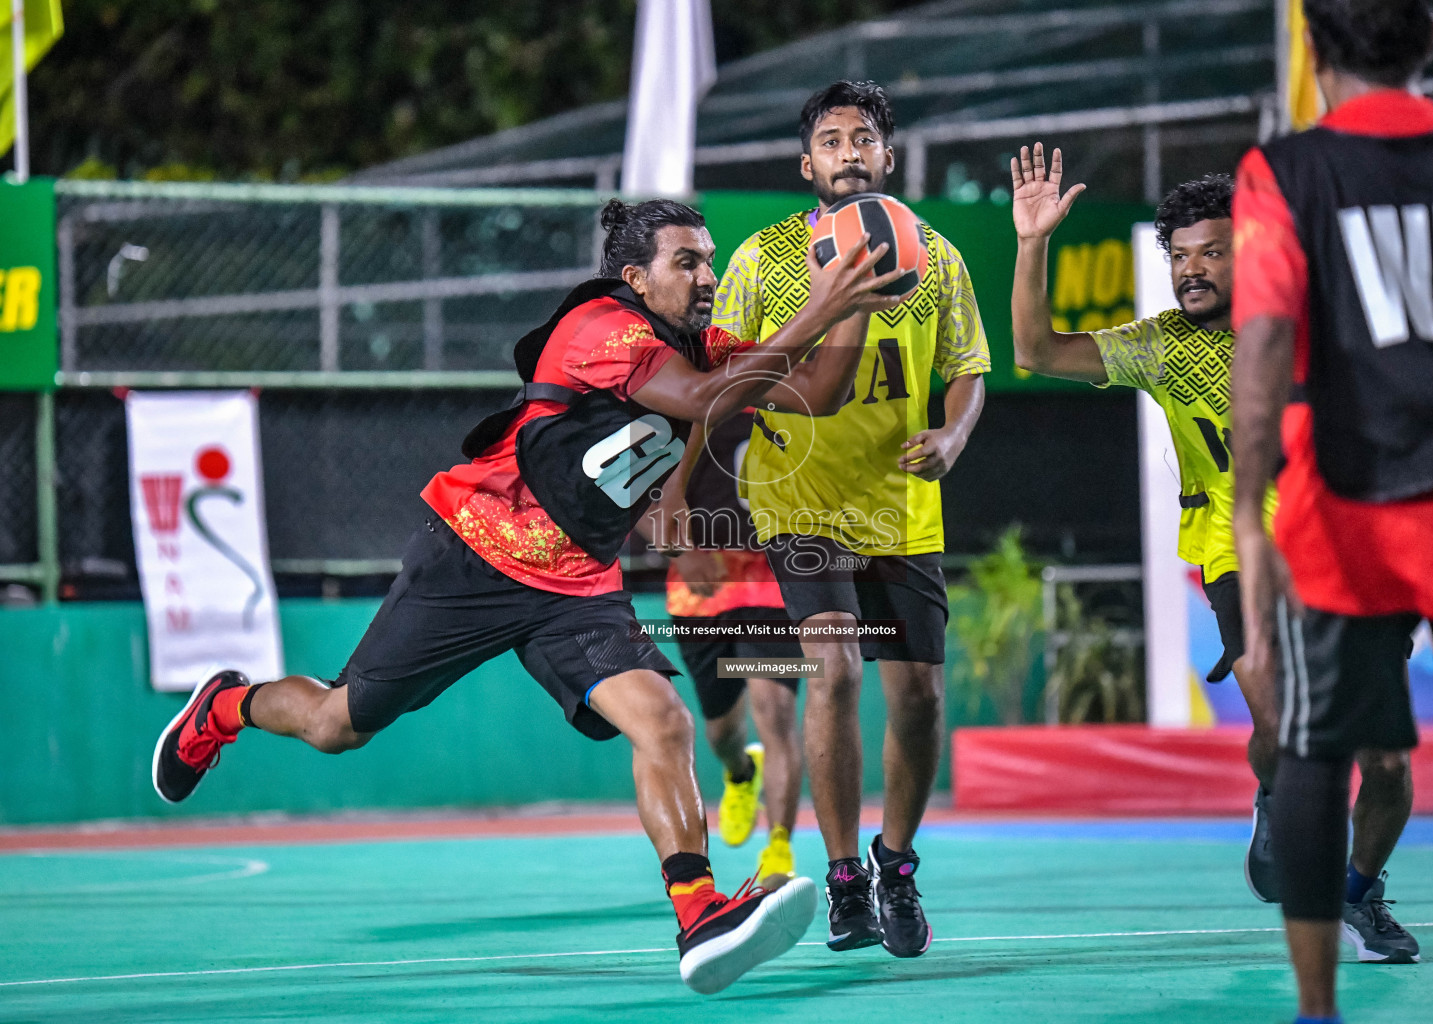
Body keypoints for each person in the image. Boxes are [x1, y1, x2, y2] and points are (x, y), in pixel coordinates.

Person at [151, 197, 908, 994]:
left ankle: (698, 915)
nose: (707, 276)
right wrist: (821, 304)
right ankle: (225, 707)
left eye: (709, 259)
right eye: (687, 262)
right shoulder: (599, 328)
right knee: (337, 724)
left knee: (664, 721)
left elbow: (816, 389)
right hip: (475, 553)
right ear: (635, 276)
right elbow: (695, 402)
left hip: (576, 583)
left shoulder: (701, 341)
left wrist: (851, 308)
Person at [1008, 151, 1418, 961]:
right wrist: (1031, 244)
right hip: (1238, 554)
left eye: (1212, 252)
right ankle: (1276, 788)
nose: (1190, 271)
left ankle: (1358, 893)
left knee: (1390, 766)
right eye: (1179, 255)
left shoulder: (1317, 334)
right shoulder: (1161, 345)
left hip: (1342, 556)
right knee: (1289, 733)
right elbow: (1035, 354)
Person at [1229, 1, 1433, 1021]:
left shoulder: (1284, 172)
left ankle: (1317, 1008)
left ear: (1314, 51)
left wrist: (1244, 521)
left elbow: (1267, 344)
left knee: (1318, 754)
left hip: (1349, 517)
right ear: (1430, 46)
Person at [710, 79, 989, 958]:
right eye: (831, 141)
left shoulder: (935, 256)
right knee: (831, 672)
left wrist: (954, 432)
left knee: (919, 698)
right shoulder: (763, 260)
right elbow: (727, 379)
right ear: (807, 165)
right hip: (799, 499)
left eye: (863, 138)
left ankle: (895, 863)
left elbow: (969, 367)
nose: (848, 153)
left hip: (902, 506)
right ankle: (842, 879)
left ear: (888, 157)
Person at [648, 409, 804, 884]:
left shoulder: (793, 408)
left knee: (773, 708)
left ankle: (778, 850)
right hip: (703, 588)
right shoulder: (681, 410)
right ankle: (739, 772)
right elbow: (637, 500)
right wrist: (683, 552)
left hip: (774, 581)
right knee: (720, 733)